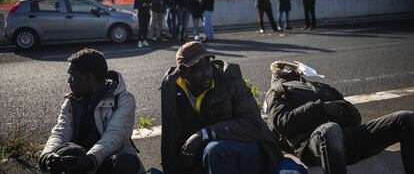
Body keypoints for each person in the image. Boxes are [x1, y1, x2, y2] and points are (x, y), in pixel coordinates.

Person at [264, 61, 414, 174]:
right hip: (314, 143)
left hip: (348, 137)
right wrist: (321, 108)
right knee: (331, 130)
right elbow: (282, 123)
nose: (288, 68)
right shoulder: (277, 91)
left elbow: (356, 119)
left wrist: (343, 110)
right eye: (284, 67)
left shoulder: (322, 87)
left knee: (405, 118)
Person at [160, 41, 285, 174]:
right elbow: (170, 138)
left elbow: (253, 124)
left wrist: (206, 134)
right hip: (209, 152)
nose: (206, 73)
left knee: (215, 150)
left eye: (208, 65)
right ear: (183, 74)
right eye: (197, 68)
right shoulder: (172, 89)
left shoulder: (231, 81)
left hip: (254, 147)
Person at [39, 48, 144, 174]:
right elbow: (61, 131)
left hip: (105, 160)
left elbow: (115, 135)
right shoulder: (71, 102)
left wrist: (90, 160)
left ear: (89, 77)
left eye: (72, 76)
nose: (69, 81)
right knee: (67, 153)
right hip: (78, 162)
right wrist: (47, 156)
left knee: (126, 162)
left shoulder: (123, 99)